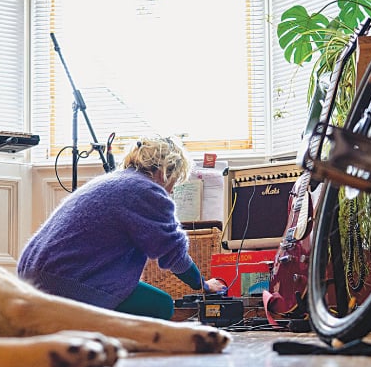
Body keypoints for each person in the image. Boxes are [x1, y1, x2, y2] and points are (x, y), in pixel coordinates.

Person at [17, 136, 226, 320]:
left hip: (32, 277)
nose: (171, 190)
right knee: (161, 306)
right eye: (175, 181)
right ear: (165, 172)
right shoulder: (147, 191)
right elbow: (173, 254)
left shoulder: (112, 181)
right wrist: (203, 285)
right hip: (64, 283)